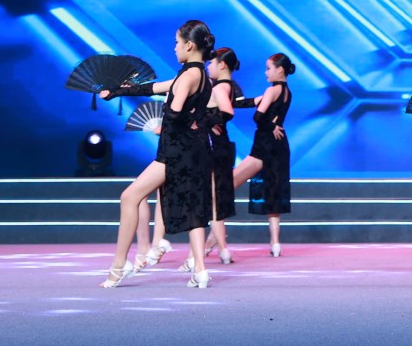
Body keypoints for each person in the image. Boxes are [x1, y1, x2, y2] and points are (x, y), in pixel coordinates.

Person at [99, 19, 216, 288]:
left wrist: (178, 118)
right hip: (192, 149)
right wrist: (118, 92)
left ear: (189, 45)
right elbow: (153, 88)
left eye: (177, 42)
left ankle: (119, 264)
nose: (174, 47)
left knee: (129, 197)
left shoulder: (188, 76)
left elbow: (173, 113)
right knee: (193, 209)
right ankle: (200, 270)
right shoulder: (199, 76)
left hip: (175, 151)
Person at [232, 53, 295, 257]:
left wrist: (270, 125)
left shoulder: (272, 90)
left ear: (280, 69)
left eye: (268, 68)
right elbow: (258, 106)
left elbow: (258, 116)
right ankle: (275, 243)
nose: (266, 73)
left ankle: (215, 239)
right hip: (280, 145)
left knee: (226, 185)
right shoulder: (287, 92)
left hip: (265, 145)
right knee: (273, 193)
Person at [201, 47, 241, 266]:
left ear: (222, 65)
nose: (208, 66)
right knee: (216, 201)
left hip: (214, 147)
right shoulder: (230, 86)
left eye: (211, 63)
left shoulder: (219, 87)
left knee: (214, 201)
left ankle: (222, 248)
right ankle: (218, 248)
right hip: (222, 145)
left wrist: (207, 121)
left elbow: (227, 112)